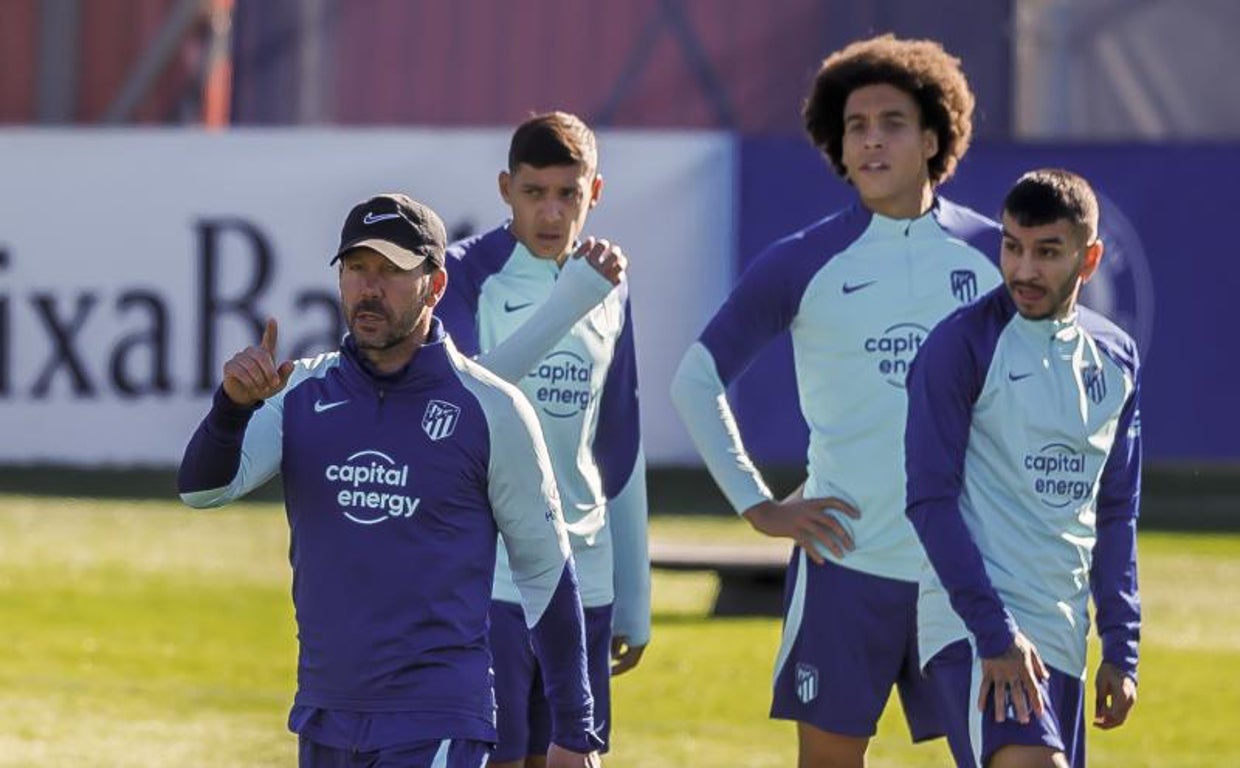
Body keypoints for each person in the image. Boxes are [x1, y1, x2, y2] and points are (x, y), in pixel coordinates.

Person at [177, 193, 603, 768]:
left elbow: (546, 571)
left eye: (392, 272)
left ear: (436, 286)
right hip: (326, 715)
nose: (369, 289)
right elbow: (202, 490)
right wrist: (230, 408)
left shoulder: (491, 409)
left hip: (440, 718)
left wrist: (575, 734)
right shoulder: (299, 392)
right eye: (357, 269)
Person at [670, 35, 1002, 767]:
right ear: (837, 143)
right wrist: (757, 505)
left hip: (968, 575)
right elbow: (693, 378)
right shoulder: (800, 260)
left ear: (933, 139)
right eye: (857, 126)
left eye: (892, 123)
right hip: (844, 569)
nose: (873, 141)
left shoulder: (995, 257)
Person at [904, 169, 1141, 768]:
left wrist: (1120, 643)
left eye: (1047, 252)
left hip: (1063, 639)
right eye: (1012, 246)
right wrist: (993, 631)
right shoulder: (960, 346)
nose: (1024, 270)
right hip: (976, 629)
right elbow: (929, 501)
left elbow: (1115, 510)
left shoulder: (1115, 357)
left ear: (1089, 260)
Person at [436, 111, 650, 768]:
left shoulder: (607, 285)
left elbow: (620, 439)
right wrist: (571, 302)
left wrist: (634, 594)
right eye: (535, 193)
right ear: (506, 189)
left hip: (584, 576)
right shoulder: (463, 274)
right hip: (491, 576)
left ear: (597, 192)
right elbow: (462, 402)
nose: (552, 213)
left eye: (569, 193)